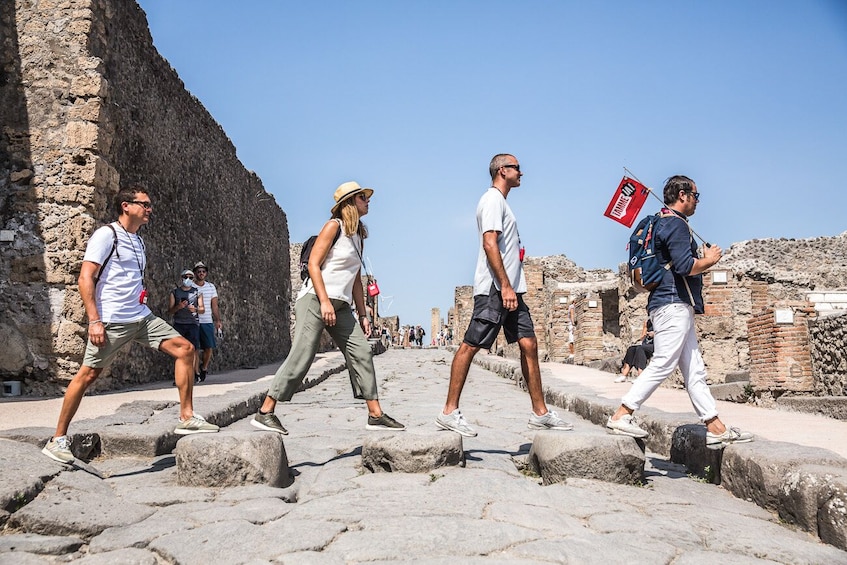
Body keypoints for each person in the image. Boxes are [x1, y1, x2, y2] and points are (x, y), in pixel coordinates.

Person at [42, 186, 219, 463]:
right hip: (112, 319)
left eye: (149, 205)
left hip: (141, 317)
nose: (149, 209)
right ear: (126, 205)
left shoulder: (138, 240)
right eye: (144, 204)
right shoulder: (106, 235)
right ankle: (58, 439)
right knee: (88, 376)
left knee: (186, 349)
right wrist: (94, 321)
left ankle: (186, 417)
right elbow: (85, 278)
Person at [606, 175, 753, 450]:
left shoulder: (665, 222)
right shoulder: (676, 224)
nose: (698, 201)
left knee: (694, 368)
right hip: (673, 303)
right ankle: (622, 415)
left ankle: (715, 427)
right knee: (663, 362)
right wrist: (710, 260)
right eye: (696, 196)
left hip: (673, 303)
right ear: (683, 195)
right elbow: (685, 266)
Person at [251, 181, 405, 435]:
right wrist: (323, 301)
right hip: (315, 300)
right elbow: (313, 264)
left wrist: (363, 314)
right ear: (350, 203)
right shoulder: (334, 227)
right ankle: (265, 411)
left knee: (362, 352)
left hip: (341, 306)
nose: (368, 201)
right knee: (302, 356)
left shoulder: (358, 237)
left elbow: (356, 279)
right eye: (363, 197)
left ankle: (375, 414)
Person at [435, 154, 573, 437]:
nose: (522, 173)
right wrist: (505, 286)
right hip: (496, 290)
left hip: (512, 289)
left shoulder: (504, 204)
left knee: (529, 344)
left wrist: (513, 287)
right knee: (470, 345)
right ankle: (449, 411)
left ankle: (540, 413)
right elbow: (489, 243)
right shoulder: (492, 201)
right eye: (517, 168)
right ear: (502, 170)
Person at [168, 269, 204, 383]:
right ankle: (179, 377)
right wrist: (178, 307)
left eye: (190, 277)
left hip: (192, 324)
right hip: (179, 324)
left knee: (193, 350)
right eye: (185, 277)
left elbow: (202, 309)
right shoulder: (175, 292)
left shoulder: (197, 292)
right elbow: (170, 310)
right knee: (178, 351)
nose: (187, 279)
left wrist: (196, 309)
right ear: (181, 278)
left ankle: (192, 375)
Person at [192, 261, 220, 382]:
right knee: (195, 348)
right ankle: (196, 373)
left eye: (203, 271)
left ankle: (204, 367)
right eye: (199, 272)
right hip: (194, 321)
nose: (201, 273)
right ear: (195, 273)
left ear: (206, 273)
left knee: (208, 347)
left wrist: (218, 320)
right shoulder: (191, 287)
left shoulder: (210, 287)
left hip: (207, 320)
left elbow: (214, 305)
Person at [614, 319, 654, 383]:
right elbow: (643, 336)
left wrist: (654, 334)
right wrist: (645, 329)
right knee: (631, 349)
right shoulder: (648, 321)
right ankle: (624, 375)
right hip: (647, 344)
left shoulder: (662, 321)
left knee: (640, 349)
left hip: (657, 345)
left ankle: (641, 377)